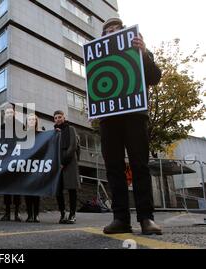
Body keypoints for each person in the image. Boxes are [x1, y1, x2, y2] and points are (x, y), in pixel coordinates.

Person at [100, 18, 162, 235]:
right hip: (108, 120)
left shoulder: (140, 51)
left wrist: (143, 53)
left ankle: (146, 218)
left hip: (135, 116)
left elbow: (154, 78)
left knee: (140, 165)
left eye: (116, 29)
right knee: (114, 168)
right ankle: (120, 219)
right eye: (107, 31)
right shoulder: (99, 60)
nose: (112, 32)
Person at [54, 110, 80, 225]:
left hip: (69, 163)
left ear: (64, 117)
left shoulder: (70, 129)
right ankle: (62, 214)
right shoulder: (54, 132)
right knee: (58, 189)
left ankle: (72, 214)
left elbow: (73, 146)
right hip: (58, 163)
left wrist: (64, 162)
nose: (58, 119)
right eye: (55, 118)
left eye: (60, 117)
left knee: (72, 189)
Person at [0, 104, 23, 222]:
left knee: (17, 187)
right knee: (6, 187)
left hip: (17, 159)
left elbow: (26, 139)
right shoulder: (2, 127)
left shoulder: (20, 125)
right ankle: (7, 213)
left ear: (14, 113)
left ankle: (17, 213)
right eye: (7, 112)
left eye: (11, 112)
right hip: (5, 160)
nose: (9, 114)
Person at [24, 113, 42, 223]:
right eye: (29, 119)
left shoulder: (41, 134)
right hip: (26, 166)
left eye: (33, 119)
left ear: (36, 122)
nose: (31, 121)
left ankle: (36, 214)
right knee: (27, 191)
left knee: (36, 191)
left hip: (37, 166)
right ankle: (29, 214)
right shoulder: (23, 134)